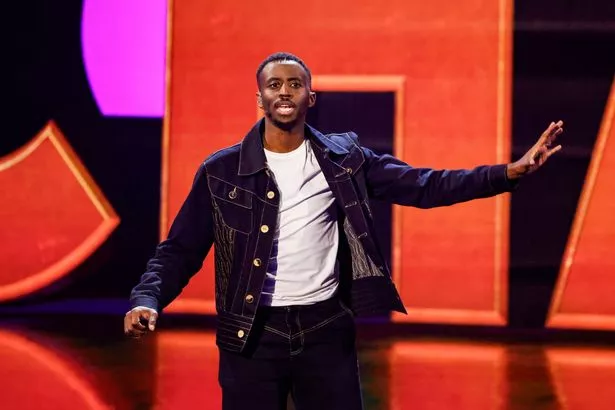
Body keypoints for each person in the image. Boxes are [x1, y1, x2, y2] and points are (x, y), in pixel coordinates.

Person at [124, 52, 563, 409]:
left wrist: (508, 173)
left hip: (325, 330)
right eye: (274, 85)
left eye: (294, 84)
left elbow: (425, 185)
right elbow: (180, 250)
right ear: (260, 98)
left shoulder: (344, 160)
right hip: (252, 335)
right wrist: (147, 299)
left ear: (310, 97)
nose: (284, 92)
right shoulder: (221, 171)